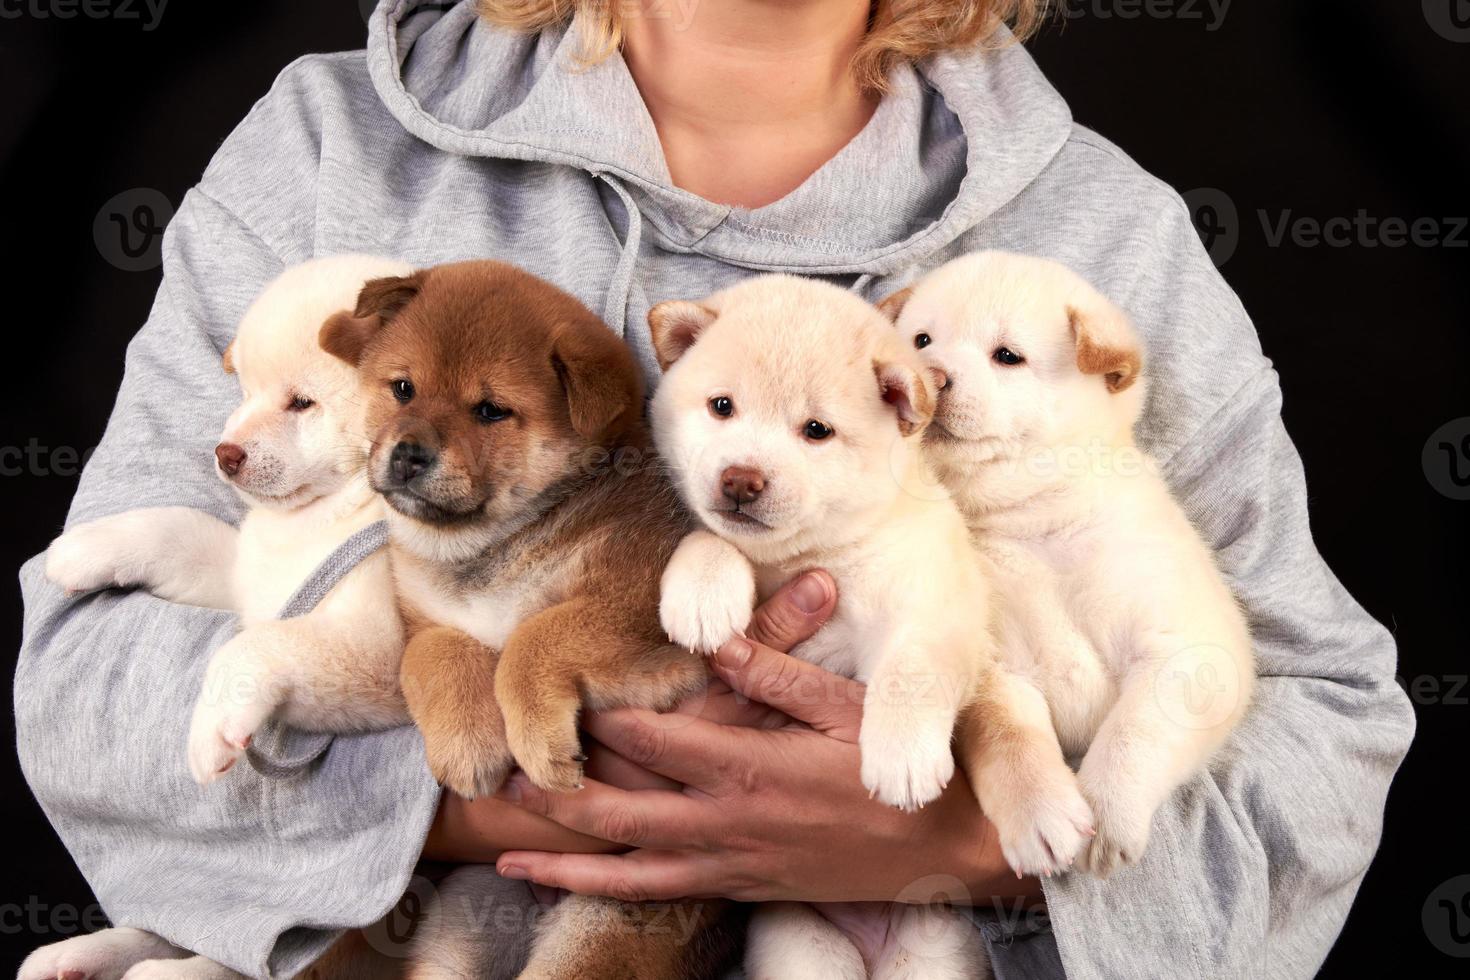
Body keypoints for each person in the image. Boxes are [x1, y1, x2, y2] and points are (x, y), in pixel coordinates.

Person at [15, 1, 1413, 977]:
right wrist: (496, 797)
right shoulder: (335, 150)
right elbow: (88, 690)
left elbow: (1329, 736)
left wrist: (975, 844)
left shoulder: (1100, 240)